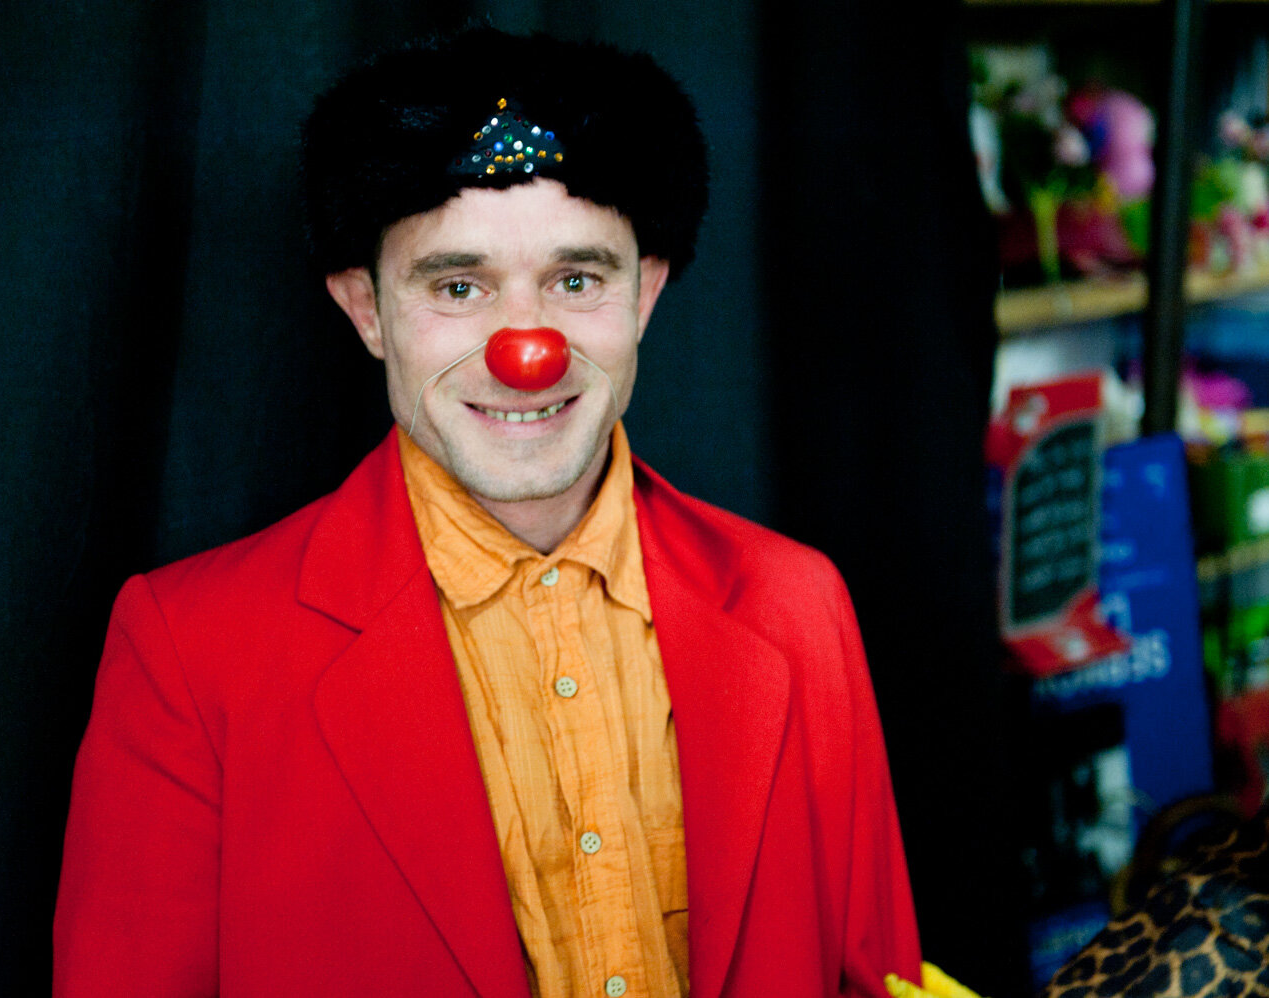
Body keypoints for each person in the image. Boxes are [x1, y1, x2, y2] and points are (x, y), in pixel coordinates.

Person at [53, 26, 921, 998]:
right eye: (458, 286)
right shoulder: (191, 653)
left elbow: (876, 974)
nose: (527, 348)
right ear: (367, 309)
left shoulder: (799, 605)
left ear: (645, 294)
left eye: (576, 280)